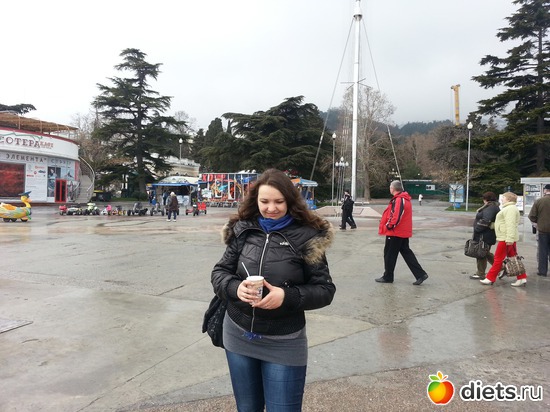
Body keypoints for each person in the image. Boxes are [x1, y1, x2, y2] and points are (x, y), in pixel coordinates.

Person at [210, 168, 336, 411]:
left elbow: (325, 289)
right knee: (248, 408)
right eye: (264, 201)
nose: (271, 208)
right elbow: (220, 272)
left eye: (279, 201)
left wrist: (287, 296)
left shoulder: (308, 236)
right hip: (238, 334)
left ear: (290, 201)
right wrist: (235, 288)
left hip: (284, 341)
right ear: (255, 201)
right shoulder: (242, 229)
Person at [375, 180, 429, 285]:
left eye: (390, 187)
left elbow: (397, 215)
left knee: (389, 254)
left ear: (393, 188)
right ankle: (420, 274)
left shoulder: (399, 199)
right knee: (406, 253)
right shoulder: (403, 198)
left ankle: (388, 276)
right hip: (401, 231)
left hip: (395, 232)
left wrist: (389, 225)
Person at [480, 192, 528, 287]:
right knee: (513, 258)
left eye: (504, 197)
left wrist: (509, 239)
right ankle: (522, 277)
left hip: (506, 238)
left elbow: (510, 225)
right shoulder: (510, 208)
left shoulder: (510, 209)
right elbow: (503, 223)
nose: (502, 199)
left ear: (508, 199)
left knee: (498, 259)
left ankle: (490, 278)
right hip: (508, 238)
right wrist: (492, 225)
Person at [469, 192, 500, 280]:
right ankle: (501, 267)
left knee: (481, 253)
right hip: (486, 234)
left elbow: (486, 220)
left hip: (484, 235)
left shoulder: (491, 207)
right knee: (484, 253)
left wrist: (477, 229)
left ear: (485, 199)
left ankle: (481, 273)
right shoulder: (492, 206)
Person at [528, 184, 550, 277]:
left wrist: (538, 222)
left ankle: (542, 271)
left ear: (545, 190)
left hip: (543, 230)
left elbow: (531, 216)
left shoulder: (539, 201)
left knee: (542, 251)